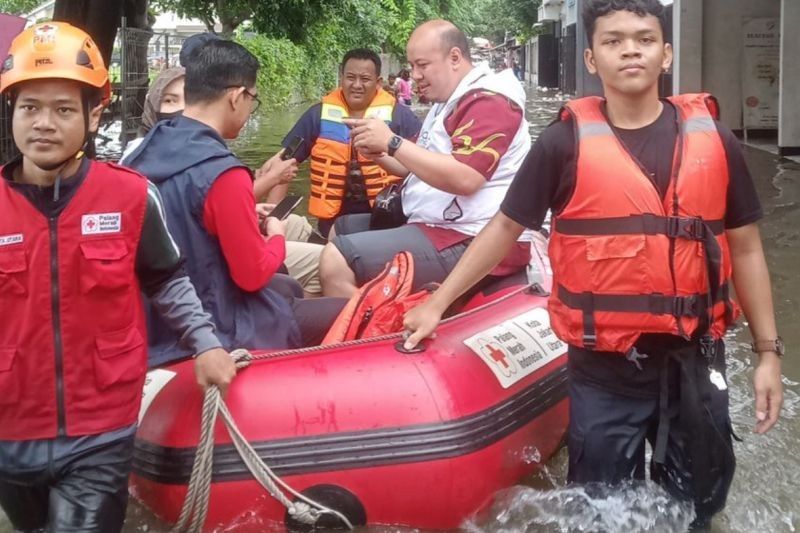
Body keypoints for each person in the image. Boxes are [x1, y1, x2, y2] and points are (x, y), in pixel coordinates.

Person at [403, 1, 784, 529]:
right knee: (602, 515)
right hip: (603, 367)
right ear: (590, 57)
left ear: (667, 54)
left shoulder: (716, 141)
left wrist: (768, 353)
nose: (631, 49)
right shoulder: (563, 143)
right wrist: (438, 304)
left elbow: (745, 247)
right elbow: (504, 228)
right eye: (613, 40)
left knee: (699, 509)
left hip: (695, 357)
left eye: (645, 39)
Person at [0, 22, 236, 532]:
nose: (43, 123)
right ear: (12, 113)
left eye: (63, 109)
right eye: (29, 107)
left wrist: (206, 344)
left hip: (100, 426)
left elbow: (167, 280)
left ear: (94, 113)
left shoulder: (130, 196)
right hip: (8, 427)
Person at [124, 39, 345, 365]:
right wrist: (278, 236)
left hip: (156, 320)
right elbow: (251, 275)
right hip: (215, 324)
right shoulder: (222, 173)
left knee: (287, 289)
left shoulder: (145, 150)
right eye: (251, 100)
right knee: (347, 309)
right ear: (236, 96)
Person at [319, 20, 533, 299]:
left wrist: (392, 142)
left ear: (454, 57)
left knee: (336, 261)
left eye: (422, 65)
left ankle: (378, 333)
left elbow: (467, 178)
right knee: (341, 227)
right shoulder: (447, 101)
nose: (415, 75)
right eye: (412, 66)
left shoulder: (489, 101)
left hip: (472, 236)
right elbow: (413, 165)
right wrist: (378, 152)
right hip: (439, 223)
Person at [118, 66, 324, 298]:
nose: (183, 110)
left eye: (187, 99)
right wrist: (275, 231)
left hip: (199, 274)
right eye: (170, 100)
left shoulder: (160, 152)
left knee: (296, 226)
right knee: (325, 263)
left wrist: (252, 207)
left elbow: (196, 205)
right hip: (211, 289)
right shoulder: (144, 161)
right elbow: (251, 273)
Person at [279, 48, 422, 237]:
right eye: (350, 77)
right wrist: (275, 214)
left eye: (365, 79)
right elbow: (284, 163)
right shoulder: (317, 115)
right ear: (341, 77)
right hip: (332, 220)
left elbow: (425, 167)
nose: (357, 85)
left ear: (378, 82)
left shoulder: (401, 117)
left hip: (387, 218)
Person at [120, 66, 185, 161]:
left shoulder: (210, 152)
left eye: (190, 100)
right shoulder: (135, 156)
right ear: (152, 103)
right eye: (169, 100)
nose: (182, 108)